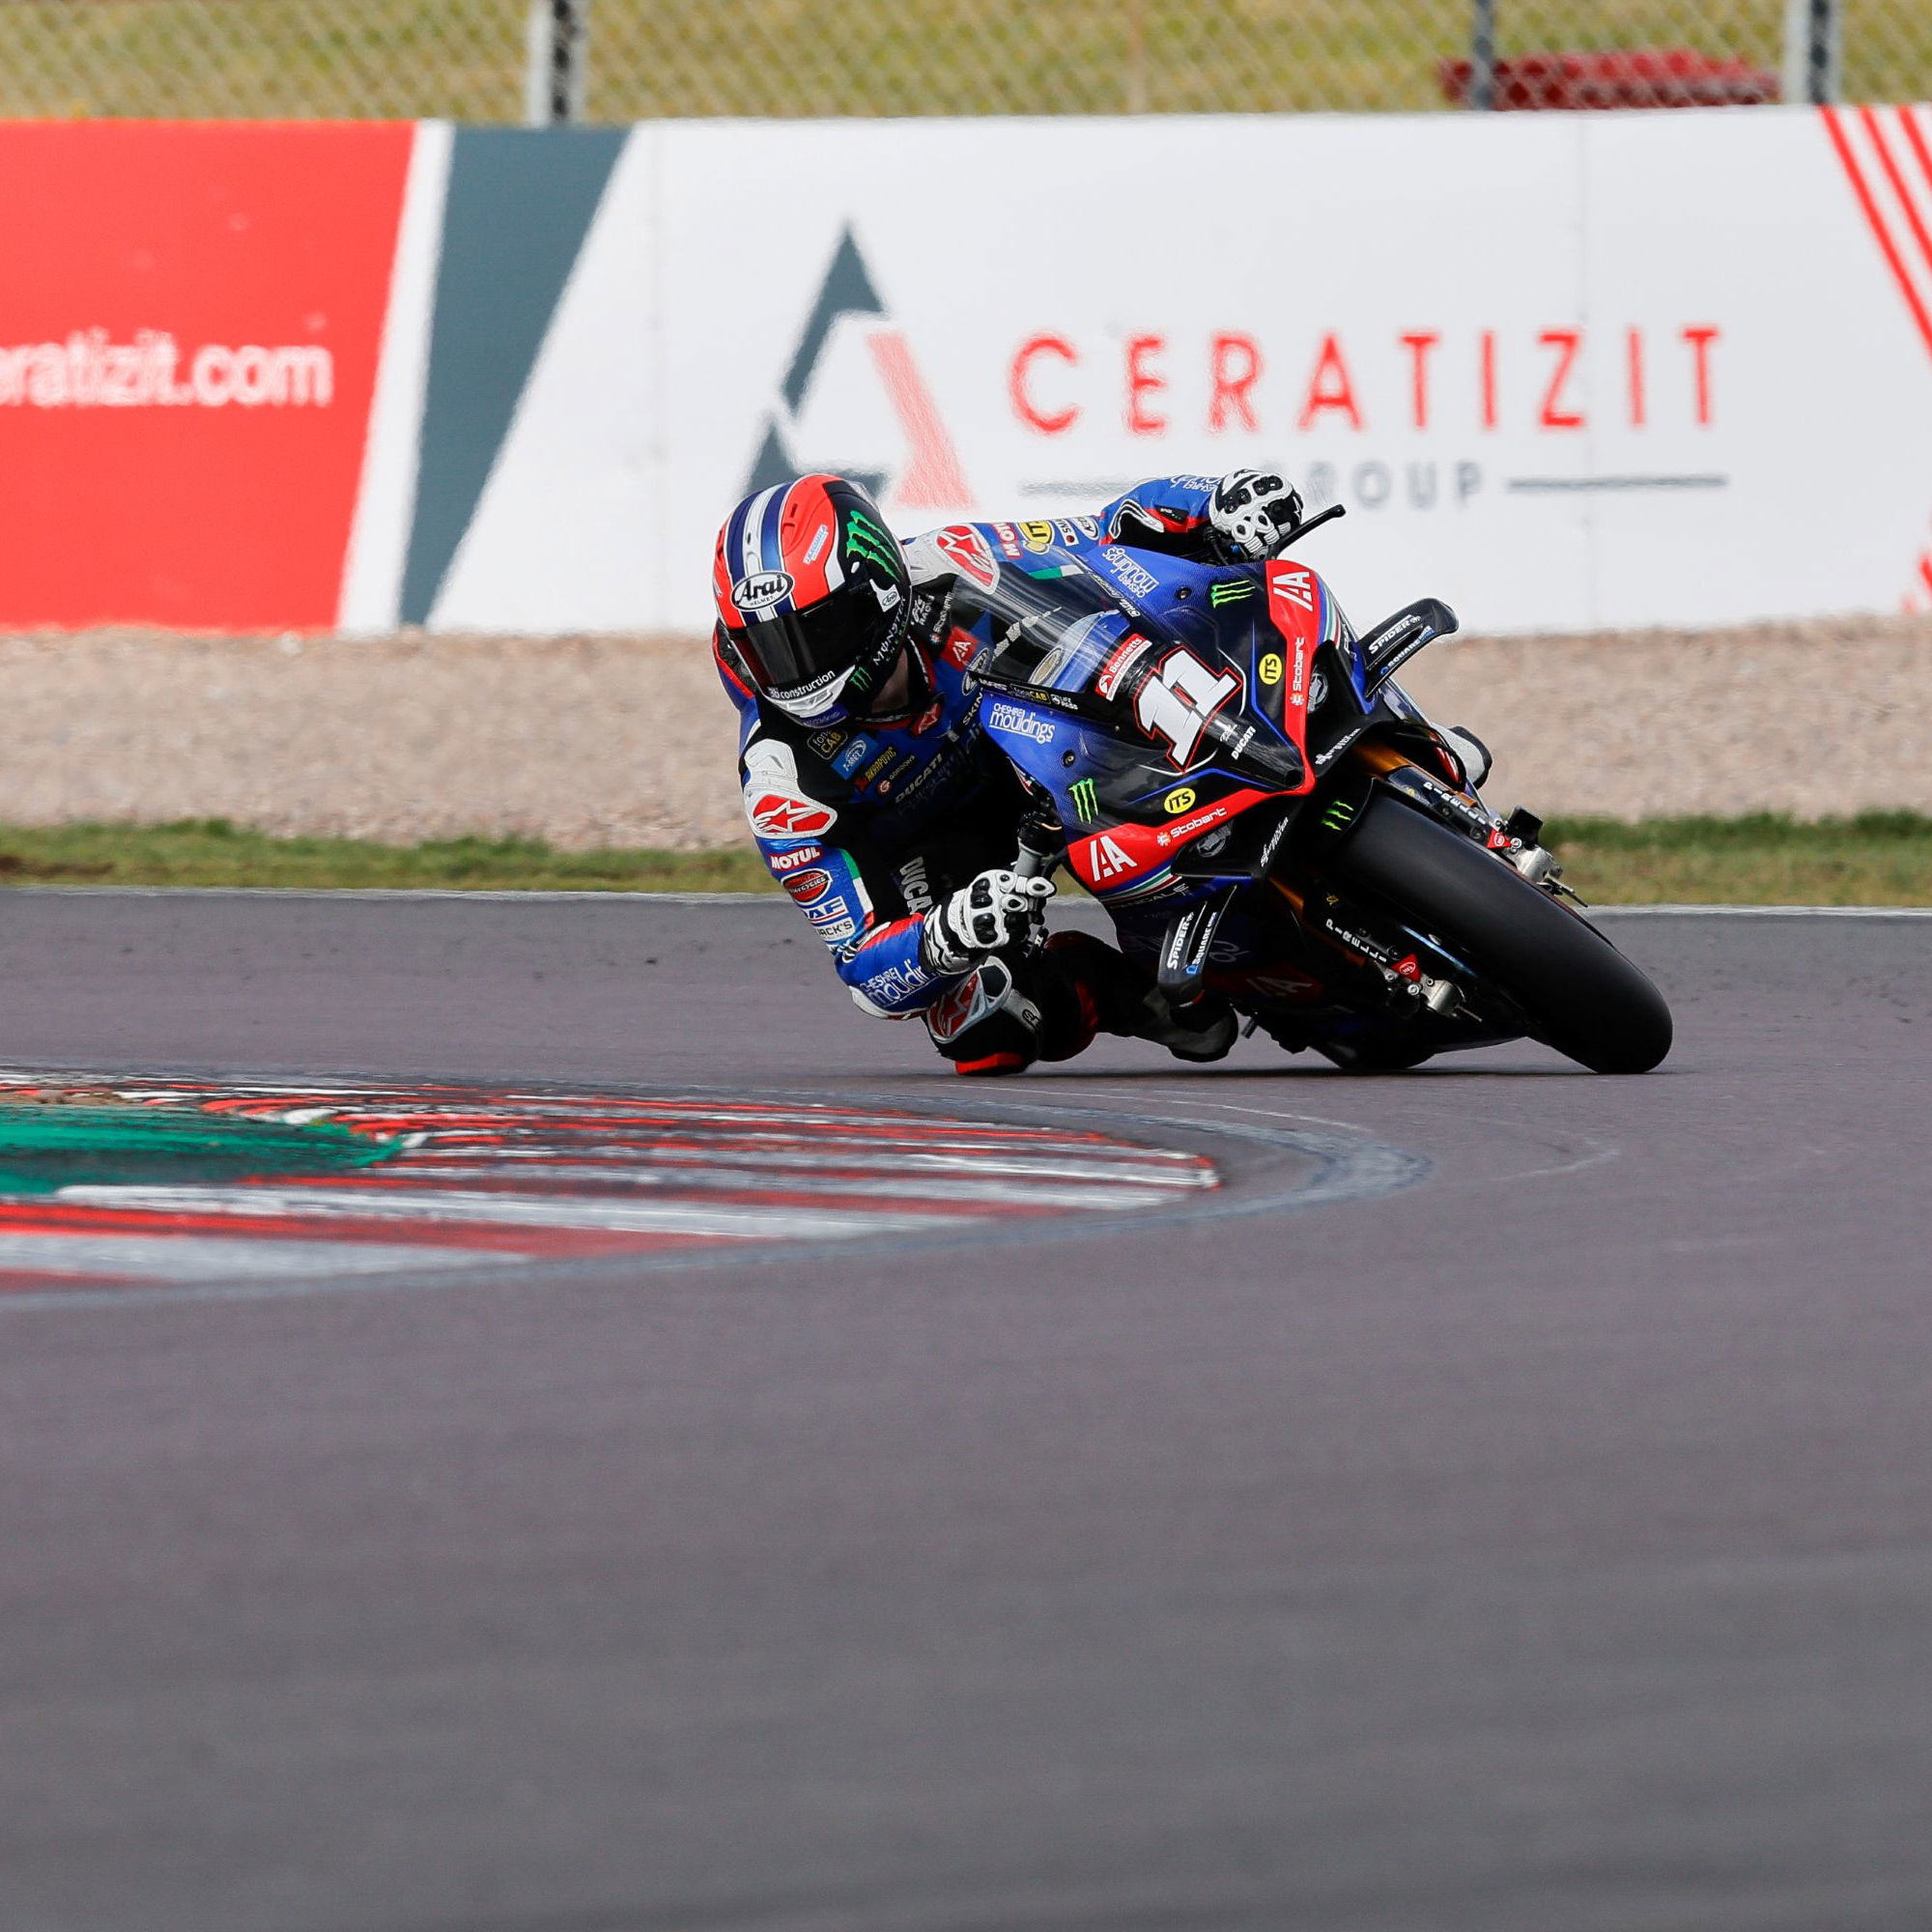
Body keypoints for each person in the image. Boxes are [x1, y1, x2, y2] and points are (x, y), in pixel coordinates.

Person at [712, 469, 1309, 1075]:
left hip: (1052, 751)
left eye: (816, 632)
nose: (797, 668)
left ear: (880, 593)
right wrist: (942, 937)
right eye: (769, 647)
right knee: (978, 1027)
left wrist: (1212, 502)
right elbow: (865, 973)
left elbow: (1107, 532)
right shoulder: (780, 781)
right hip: (937, 848)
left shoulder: (954, 561)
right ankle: (1133, 997)